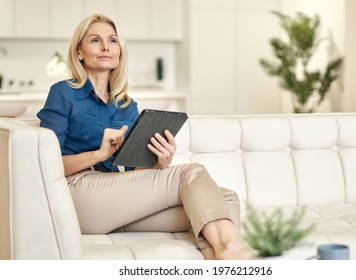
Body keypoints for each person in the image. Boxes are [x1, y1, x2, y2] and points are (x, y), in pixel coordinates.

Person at [37, 14, 253, 260]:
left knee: (226, 199)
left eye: (112, 40)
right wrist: (99, 155)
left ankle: (219, 259)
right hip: (77, 194)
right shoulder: (62, 93)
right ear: (79, 52)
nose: (106, 46)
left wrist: (159, 161)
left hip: (118, 203)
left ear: (120, 52)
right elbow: (46, 165)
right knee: (191, 173)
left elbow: (132, 171)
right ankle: (233, 250)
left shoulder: (126, 106)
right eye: (96, 40)